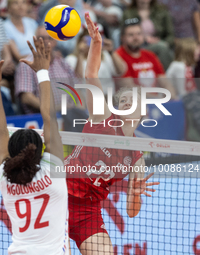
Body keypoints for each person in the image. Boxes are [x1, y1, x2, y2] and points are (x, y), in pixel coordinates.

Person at [65, 13, 160, 255]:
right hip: (60, 195)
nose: (128, 102)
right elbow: (90, 76)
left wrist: (135, 194)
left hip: (89, 212)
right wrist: (96, 45)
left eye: (134, 100)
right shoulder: (102, 117)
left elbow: (131, 211)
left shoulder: (137, 156)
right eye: (124, 99)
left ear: (143, 111)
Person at [0, 36, 69, 254]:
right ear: (41, 148)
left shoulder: (5, 176)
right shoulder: (52, 170)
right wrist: (43, 71)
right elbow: (49, 117)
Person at [15, 26, 78, 114]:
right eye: (41, 38)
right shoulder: (26, 64)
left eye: (50, 38)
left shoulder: (63, 62)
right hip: (40, 118)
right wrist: (53, 109)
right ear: (35, 41)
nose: (45, 42)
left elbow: (77, 90)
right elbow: (26, 98)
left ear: (55, 42)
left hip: (69, 115)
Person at [116, 18, 176, 98]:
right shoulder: (118, 56)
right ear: (122, 38)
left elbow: (164, 82)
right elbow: (128, 87)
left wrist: (172, 97)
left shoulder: (150, 55)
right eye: (131, 35)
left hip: (156, 102)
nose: (136, 38)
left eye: (139, 34)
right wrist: (158, 99)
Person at [65, 27, 126, 94]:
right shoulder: (71, 59)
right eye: (88, 40)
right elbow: (78, 80)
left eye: (95, 39)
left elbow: (121, 71)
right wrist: (81, 54)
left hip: (108, 98)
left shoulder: (105, 55)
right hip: (86, 101)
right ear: (80, 42)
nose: (92, 43)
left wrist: (111, 52)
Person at [122, 0, 174, 70]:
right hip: (138, 45)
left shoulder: (162, 11)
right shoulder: (128, 13)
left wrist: (161, 42)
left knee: (162, 47)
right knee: (161, 47)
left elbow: (170, 35)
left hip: (159, 42)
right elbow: (124, 35)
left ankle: (164, 74)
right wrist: (144, 39)